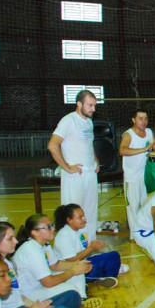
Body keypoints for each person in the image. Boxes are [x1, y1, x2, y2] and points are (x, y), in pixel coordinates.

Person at [12, 215, 100, 308]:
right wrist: (72, 271)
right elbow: (49, 282)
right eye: (48, 227)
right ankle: (76, 302)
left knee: (77, 269)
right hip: (29, 295)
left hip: (40, 285)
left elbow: (56, 265)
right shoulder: (32, 251)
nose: (53, 229)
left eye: (52, 225)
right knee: (71, 288)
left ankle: (82, 299)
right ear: (35, 232)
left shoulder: (44, 244)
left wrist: (77, 266)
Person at [47, 90, 100, 241]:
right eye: (90, 105)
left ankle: (89, 244)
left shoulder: (89, 122)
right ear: (79, 104)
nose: (93, 109)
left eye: (94, 105)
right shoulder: (68, 121)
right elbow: (52, 145)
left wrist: (95, 159)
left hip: (90, 174)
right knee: (73, 215)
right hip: (75, 176)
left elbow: (88, 144)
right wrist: (67, 167)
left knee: (90, 213)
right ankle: (71, 247)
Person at [53, 204, 128, 288]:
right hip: (72, 269)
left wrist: (94, 245)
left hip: (84, 262)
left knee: (114, 255)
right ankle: (92, 279)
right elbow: (71, 260)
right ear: (69, 220)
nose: (84, 219)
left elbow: (84, 252)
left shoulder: (80, 230)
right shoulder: (64, 235)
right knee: (94, 268)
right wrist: (91, 248)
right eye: (80, 217)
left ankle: (105, 278)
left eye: (83, 216)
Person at [119, 109, 155, 239]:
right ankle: (134, 236)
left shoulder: (149, 132)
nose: (144, 121)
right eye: (140, 118)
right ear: (133, 120)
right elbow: (122, 150)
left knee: (147, 205)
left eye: (146, 119)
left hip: (146, 176)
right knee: (133, 207)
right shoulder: (128, 134)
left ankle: (146, 231)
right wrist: (144, 149)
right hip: (132, 178)